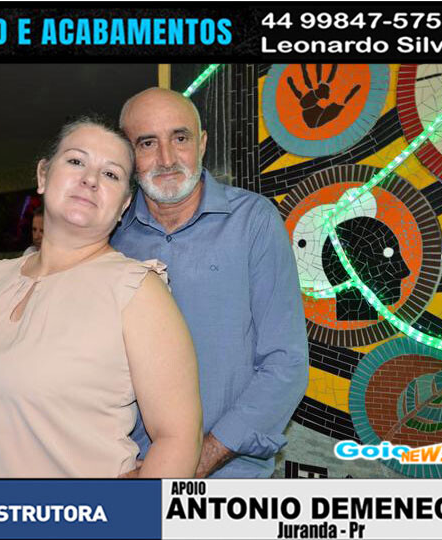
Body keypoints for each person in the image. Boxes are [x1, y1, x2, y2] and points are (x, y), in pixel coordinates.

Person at [0, 115, 202, 478]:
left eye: (111, 174)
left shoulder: (136, 289)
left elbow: (178, 439)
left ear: (123, 205)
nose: (90, 179)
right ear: (43, 175)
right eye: (76, 161)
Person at [111, 88, 309, 478]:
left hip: (228, 476)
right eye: (147, 143)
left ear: (202, 144)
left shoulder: (253, 221)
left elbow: (285, 364)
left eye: (180, 138)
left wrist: (194, 462)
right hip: (126, 472)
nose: (167, 159)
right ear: (127, 155)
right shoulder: (112, 238)